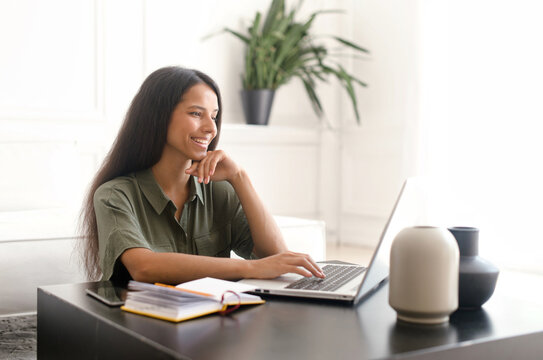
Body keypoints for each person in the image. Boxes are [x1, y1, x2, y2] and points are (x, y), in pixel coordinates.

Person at [79, 66, 324, 284]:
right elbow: (144, 267)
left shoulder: (219, 190)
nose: (211, 128)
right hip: (143, 326)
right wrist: (250, 268)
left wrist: (239, 177)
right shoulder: (115, 195)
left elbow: (275, 258)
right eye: (196, 114)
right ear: (158, 117)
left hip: (213, 324)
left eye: (214, 116)